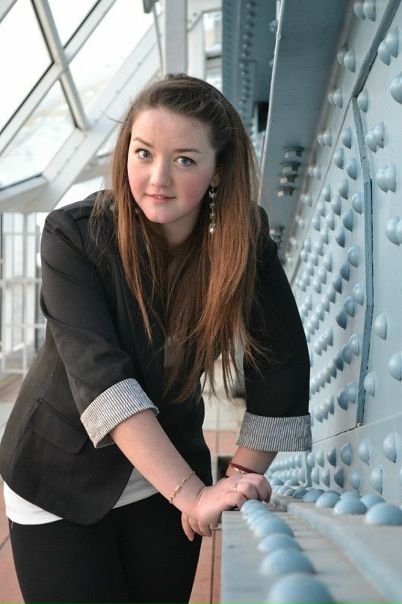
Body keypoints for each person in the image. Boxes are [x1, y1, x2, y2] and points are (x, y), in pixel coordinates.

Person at [0, 73, 311, 604]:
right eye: (143, 153)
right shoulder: (74, 235)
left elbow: (282, 364)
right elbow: (103, 382)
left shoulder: (241, 238)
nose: (157, 178)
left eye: (185, 160)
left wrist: (236, 477)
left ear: (218, 171)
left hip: (165, 475)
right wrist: (192, 495)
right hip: (59, 477)